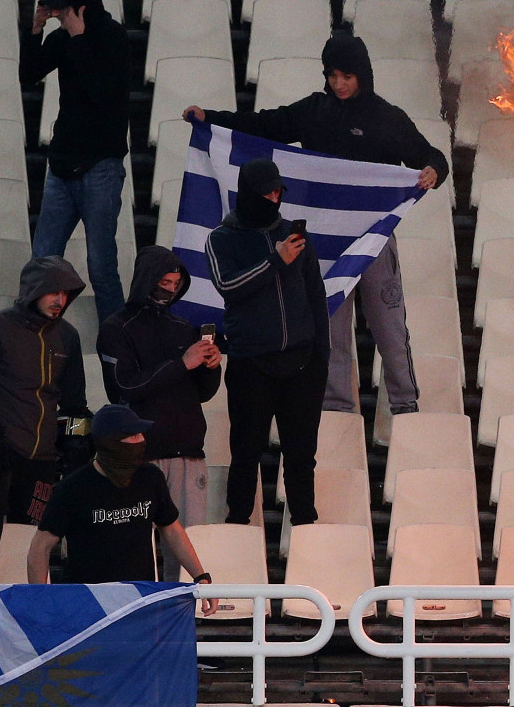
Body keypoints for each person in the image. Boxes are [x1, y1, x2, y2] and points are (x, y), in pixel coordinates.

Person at [183, 32, 447, 416]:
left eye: (347, 76)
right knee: (330, 328)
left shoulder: (386, 118)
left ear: (363, 75)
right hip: (322, 242)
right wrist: (212, 120)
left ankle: (406, 406)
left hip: (372, 240)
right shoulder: (313, 111)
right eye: (332, 75)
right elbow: (263, 126)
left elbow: (431, 155)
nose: (339, 84)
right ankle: (338, 409)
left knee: (388, 325)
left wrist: (434, 170)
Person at [206, 160, 329, 526]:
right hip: (251, 365)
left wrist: (321, 356)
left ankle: (305, 526)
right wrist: (275, 260)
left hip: (303, 365)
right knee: (245, 452)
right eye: (268, 192)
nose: (275, 198)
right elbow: (228, 287)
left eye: (279, 192)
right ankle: (238, 526)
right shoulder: (221, 239)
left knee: (302, 455)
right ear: (249, 193)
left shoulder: (294, 234)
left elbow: (316, 298)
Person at [0, 256, 91, 583]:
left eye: (66, 293)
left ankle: (27, 589)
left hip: (43, 453)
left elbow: (75, 403)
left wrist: (77, 440)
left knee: (34, 527)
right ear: (33, 290)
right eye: (53, 292)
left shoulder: (68, 337)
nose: (60, 300)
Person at [98, 246, 222, 578]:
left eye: (176, 283)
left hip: (188, 452)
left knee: (186, 549)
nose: (169, 289)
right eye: (164, 282)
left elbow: (202, 393)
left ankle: (182, 612)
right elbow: (125, 387)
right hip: (140, 453)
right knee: (134, 544)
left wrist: (211, 366)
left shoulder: (183, 326)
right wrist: (182, 363)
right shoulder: (117, 327)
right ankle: (138, 613)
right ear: (147, 280)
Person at [28, 405, 218, 614]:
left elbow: (171, 529)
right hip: (88, 604)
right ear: (111, 443)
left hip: (138, 601)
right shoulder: (73, 488)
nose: (142, 440)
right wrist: (40, 600)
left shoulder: (150, 477)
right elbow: (41, 546)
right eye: (134, 435)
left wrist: (201, 576)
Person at [21, 0, 130, 325]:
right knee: (42, 264)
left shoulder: (113, 37)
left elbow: (101, 93)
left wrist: (80, 39)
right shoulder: (63, 38)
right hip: (62, 167)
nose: (58, 16)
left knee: (101, 268)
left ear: (81, 7)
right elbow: (29, 74)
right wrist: (34, 31)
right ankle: (27, 338)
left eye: (62, 9)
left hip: (101, 166)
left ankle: (117, 349)